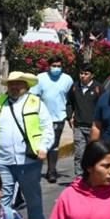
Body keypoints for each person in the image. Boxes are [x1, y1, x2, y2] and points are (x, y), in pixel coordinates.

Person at [0, 72, 54, 219]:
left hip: (28, 160)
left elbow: (47, 128)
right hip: (1, 159)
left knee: (31, 194)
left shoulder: (36, 103)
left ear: (26, 86)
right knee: (3, 195)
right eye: (11, 84)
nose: (14, 87)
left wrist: (44, 147)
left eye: (18, 84)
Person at [32, 55, 74, 184]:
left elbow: (70, 99)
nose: (56, 68)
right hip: (42, 117)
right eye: (54, 66)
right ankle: (35, 170)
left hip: (59, 117)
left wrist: (70, 115)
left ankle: (51, 171)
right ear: (48, 66)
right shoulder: (40, 79)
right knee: (40, 144)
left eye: (59, 66)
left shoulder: (67, 80)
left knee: (54, 145)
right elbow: (34, 97)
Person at [66, 63, 103, 178]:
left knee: (94, 153)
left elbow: (103, 106)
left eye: (86, 74)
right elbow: (69, 103)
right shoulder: (74, 87)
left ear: (92, 75)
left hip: (93, 127)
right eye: (81, 73)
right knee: (79, 154)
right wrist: (70, 116)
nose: (83, 76)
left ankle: (94, 176)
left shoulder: (98, 88)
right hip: (78, 126)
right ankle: (79, 178)